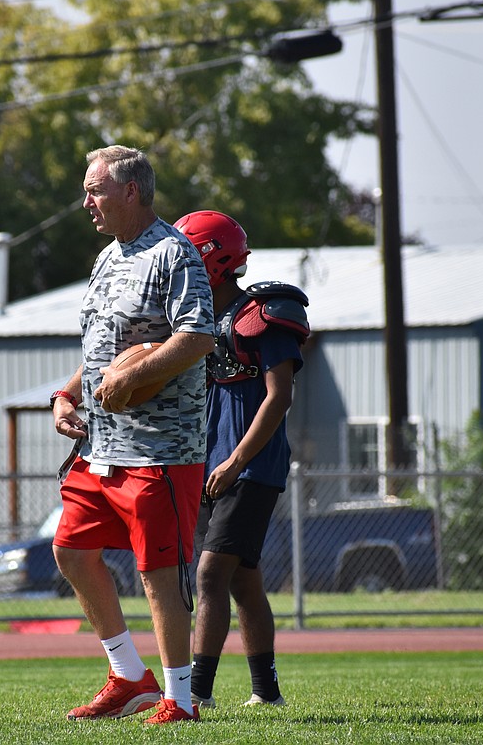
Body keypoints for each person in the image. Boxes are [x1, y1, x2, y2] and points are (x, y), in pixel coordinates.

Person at [50, 145, 215, 725]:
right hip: (101, 447)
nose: (86, 201)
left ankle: (180, 699)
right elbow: (101, 353)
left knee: (157, 572)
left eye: (95, 189)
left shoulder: (174, 253)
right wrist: (67, 394)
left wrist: (134, 376)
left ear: (132, 192)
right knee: (71, 549)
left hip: (160, 450)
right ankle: (129, 676)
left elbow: (197, 337)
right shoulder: (106, 257)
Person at [174, 210, 308, 709]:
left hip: (251, 465)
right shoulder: (196, 318)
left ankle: (198, 695)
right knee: (242, 580)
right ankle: (267, 693)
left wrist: (234, 461)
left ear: (213, 257)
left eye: (188, 254)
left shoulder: (264, 314)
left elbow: (279, 397)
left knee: (210, 575)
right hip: (210, 464)